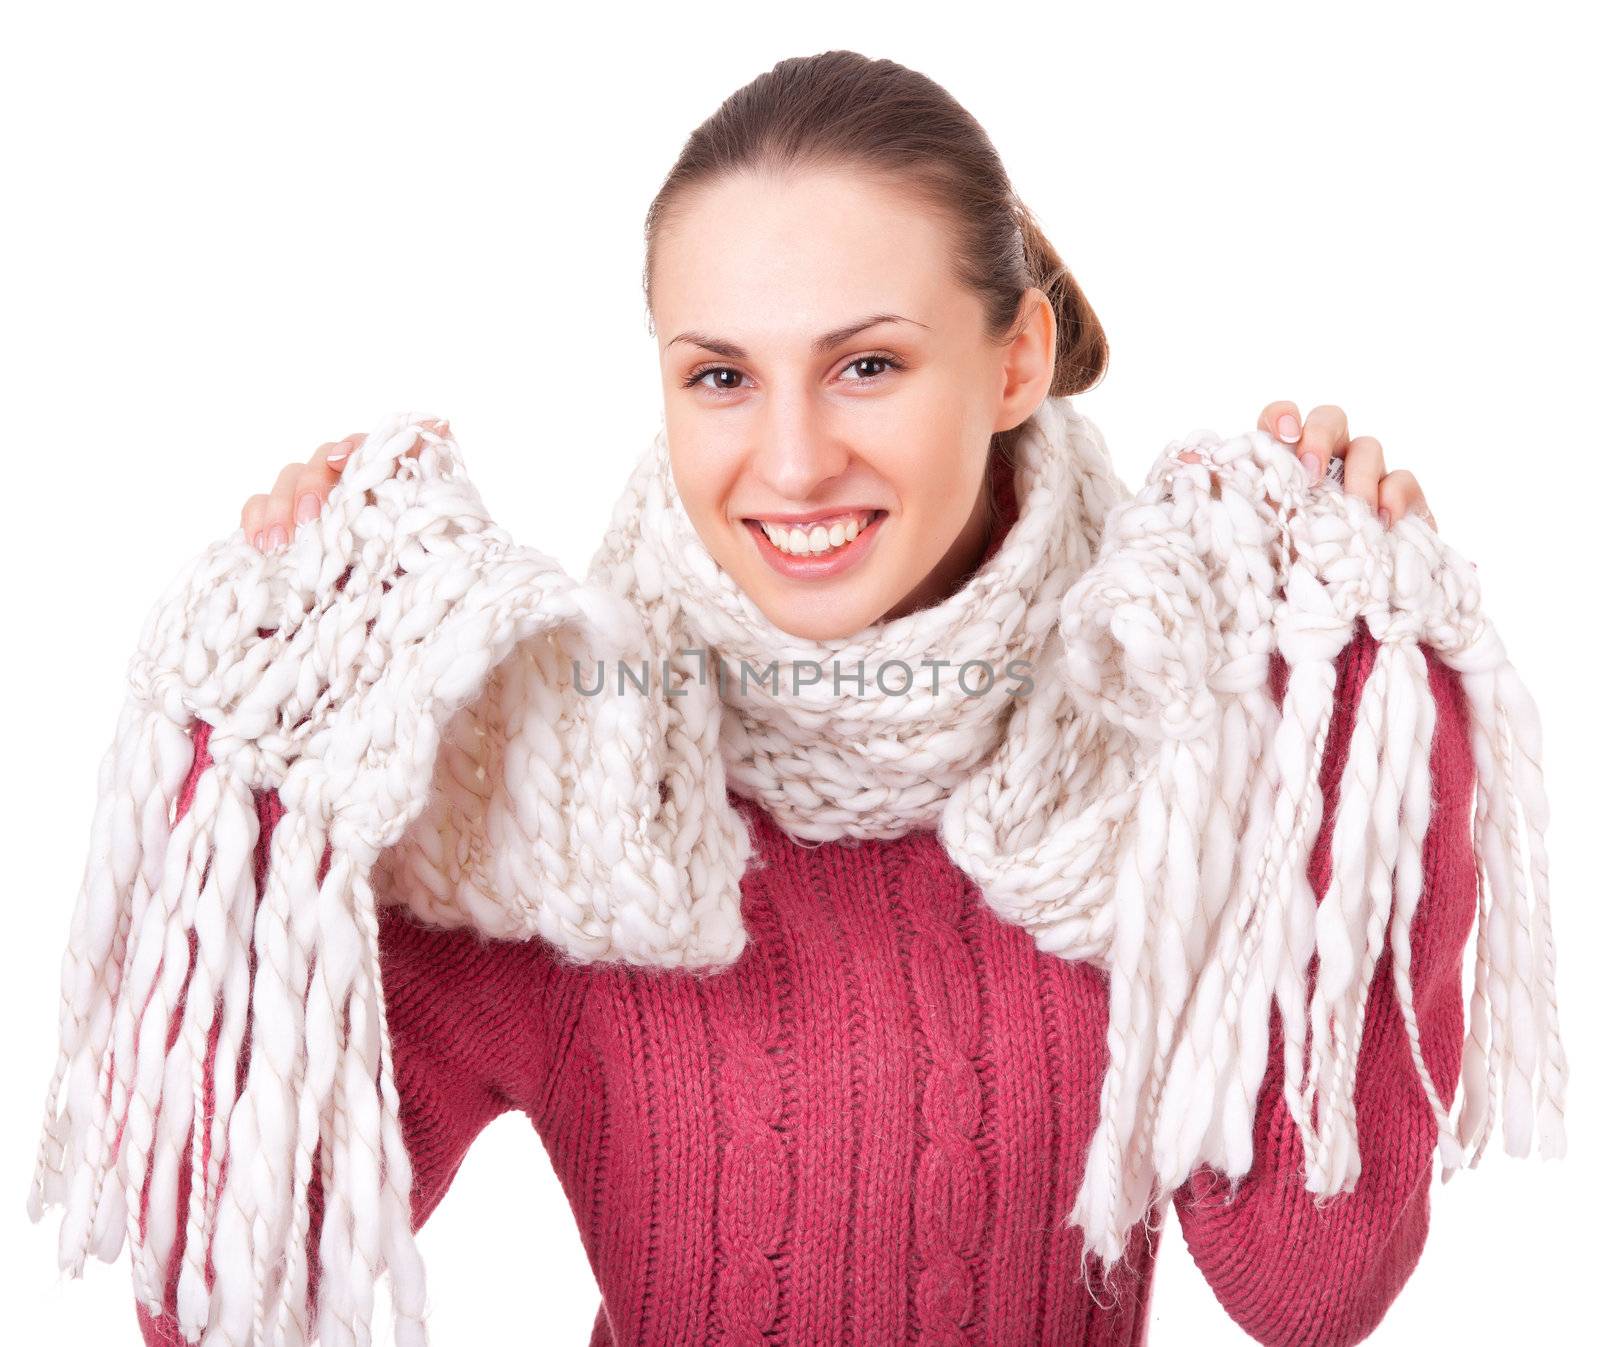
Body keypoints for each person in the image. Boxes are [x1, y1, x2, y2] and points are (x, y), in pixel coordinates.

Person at [31, 50, 1561, 1347]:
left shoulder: (1184, 740)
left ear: (1018, 356)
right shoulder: (556, 791)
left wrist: (1360, 694)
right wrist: (264, 759)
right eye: (720, 377)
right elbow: (220, 1297)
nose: (791, 461)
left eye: (869, 366)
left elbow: (1315, 1288)